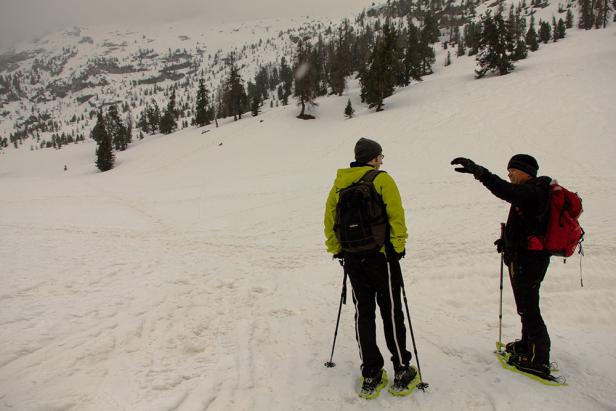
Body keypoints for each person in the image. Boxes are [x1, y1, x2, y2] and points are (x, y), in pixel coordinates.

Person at [324, 137, 414, 398]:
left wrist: (336, 249)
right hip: (381, 257)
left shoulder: (339, 184)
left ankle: (371, 372)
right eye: (380, 156)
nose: (381, 161)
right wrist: (397, 246)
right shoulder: (382, 179)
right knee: (391, 311)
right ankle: (401, 368)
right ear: (373, 158)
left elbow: (329, 219)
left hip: (353, 258)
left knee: (364, 312)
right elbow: (397, 215)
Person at [451, 154, 553, 378]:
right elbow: (527, 225)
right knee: (526, 305)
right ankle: (527, 345)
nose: (509, 174)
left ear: (525, 171)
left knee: (529, 307)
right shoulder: (532, 191)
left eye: (512, 170)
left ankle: (539, 360)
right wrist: (507, 240)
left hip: (529, 261)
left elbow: (505, 190)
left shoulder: (532, 191)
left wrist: (479, 172)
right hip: (526, 257)